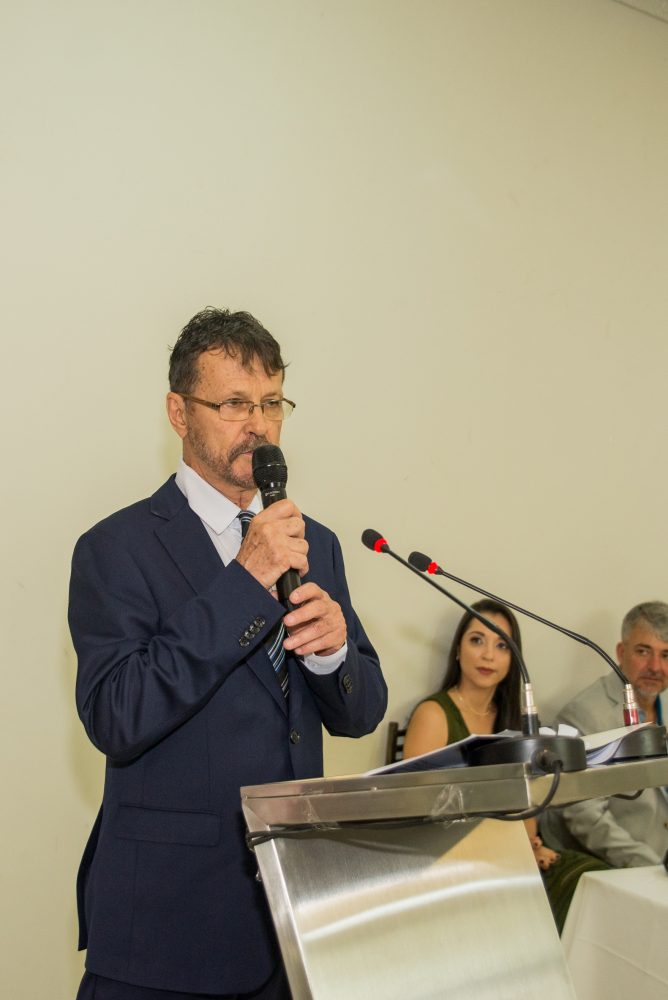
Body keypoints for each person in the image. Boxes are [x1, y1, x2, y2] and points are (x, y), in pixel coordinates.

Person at [69, 307, 388, 1000]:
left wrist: (333, 655)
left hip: (292, 917)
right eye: (235, 404)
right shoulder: (116, 548)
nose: (260, 425)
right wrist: (245, 584)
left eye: (272, 404)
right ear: (179, 413)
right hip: (165, 926)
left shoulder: (316, 543)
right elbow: (117, 715)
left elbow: (360, 714)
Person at [403, 598, 608, 934]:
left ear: (513, 659)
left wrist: (532, 845)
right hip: (453, 862)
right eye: (477, 640)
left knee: (595, 882)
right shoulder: (434, 714)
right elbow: (418, 811)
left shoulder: (513, 717)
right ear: (458, 650)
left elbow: (528, 798)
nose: (488, 655)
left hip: (515, 856)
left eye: (502, 646)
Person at [540, 601, 668, 868]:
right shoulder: (585, 714)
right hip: (621, 866)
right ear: (621, 652)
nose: (655, 666)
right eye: (643, 651)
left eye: (666, 655)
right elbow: (585, 816)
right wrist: (651, 867)